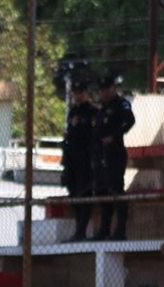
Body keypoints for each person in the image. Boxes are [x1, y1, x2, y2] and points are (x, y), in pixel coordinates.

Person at [92, 74, 135, 241]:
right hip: (100, 155)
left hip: (115, 153)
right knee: (102, 190)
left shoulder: (121, 105)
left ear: (113, 89)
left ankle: (121, 229)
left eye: (106, 89)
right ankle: (105, 229)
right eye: (101, 90)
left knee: (116, 189)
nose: (103, 92)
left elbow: (129, 121)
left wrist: (114, 136)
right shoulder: (102, 109)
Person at [60, 81, 98, 242]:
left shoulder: (93, 112)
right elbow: (70, 132)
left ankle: (82, 230)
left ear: (87, 94)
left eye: (80, 92)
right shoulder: (72, 112)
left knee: (84, 193)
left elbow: (93, 135)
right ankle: (78, 229)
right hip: (71, 159)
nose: (77, 95)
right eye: (75, 92)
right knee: (74, 193)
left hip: (85, 158)